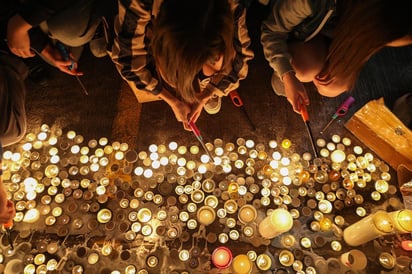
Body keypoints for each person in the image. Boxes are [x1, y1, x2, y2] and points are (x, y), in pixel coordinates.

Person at [110, 0, 254, 130]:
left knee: (215, 67)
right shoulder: (139, 3)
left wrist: (207, 94)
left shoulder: (231, 6)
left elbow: (239, 63)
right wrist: (171, 100)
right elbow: (128, 61)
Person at [261, 0, 412, 113]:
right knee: (303, 70)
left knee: (333, 87)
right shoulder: (311, 2)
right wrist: (287, 75)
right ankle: (283, 69)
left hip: (335, 35)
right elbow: (272, 32)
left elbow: (365, 46)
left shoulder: (388, 19)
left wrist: (348, 64)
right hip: (299, 31)